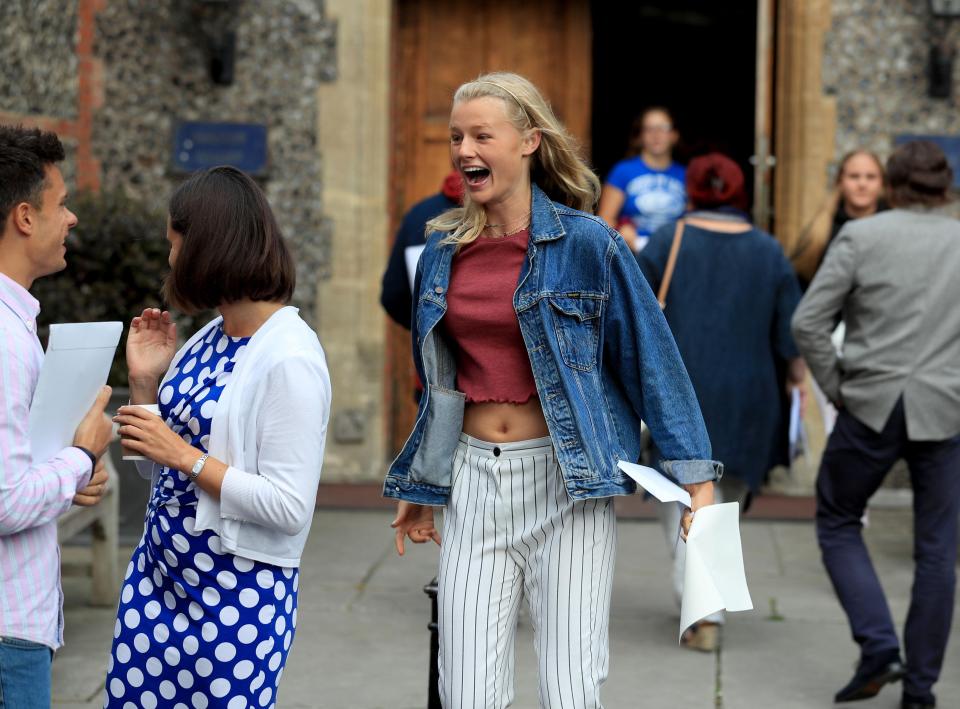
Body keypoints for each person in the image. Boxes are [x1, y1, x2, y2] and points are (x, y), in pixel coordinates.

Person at [384, 72, 720, 709]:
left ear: (530, 141)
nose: (464, 150)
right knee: (466, 693)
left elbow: (652, 357)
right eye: (457, 136)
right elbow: (437, 383)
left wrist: (695, 478)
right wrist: (422, 484)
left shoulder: (590, 245)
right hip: (472, 483)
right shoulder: (439, 250)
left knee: (571, 687)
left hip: (567, 483)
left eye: (482, 134)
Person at [105, 166, 331, 708]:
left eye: (174, 244)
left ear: (206, 245)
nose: (170, 259)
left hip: (233, 597)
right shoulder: (210, 335)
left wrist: (183, 456)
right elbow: (155, 471)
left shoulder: (291, 356)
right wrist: (143, 384)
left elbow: (289, 507)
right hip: (157, 581)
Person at [791, 141, 960, 709]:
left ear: (890, 185)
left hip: (870, 404)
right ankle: (920, 691)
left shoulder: (862, 237)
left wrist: (841, 388)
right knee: (938, 552)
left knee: (838, 520)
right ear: (944, 187)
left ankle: (879, 646)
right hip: (946, 409)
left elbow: (808, 322)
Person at [637, 152, 806, 652]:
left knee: (681, 502)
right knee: (721, 501)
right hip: (748, 396)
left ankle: (704, 614)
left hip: (678, 392)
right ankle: (704, 607)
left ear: (691, 189)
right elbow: (789, 337)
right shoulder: (770, 251)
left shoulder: (668, 241)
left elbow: (636, 317)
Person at [0, 124, 114, 706]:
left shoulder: (16, 322)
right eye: (61, 203)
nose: (71, 218)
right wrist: (83, 453)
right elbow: (5, 500)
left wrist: (71, 476)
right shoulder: (5, 336)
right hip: (7, 633)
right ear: (24, 217)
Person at [791, 149, 887, 290]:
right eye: (854, 176)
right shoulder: (820, 230)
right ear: (840, 181)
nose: (862, 184)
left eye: (871, 177)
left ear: (882, 183)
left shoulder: (892, 225)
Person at [381, 170, 463, 329]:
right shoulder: (508, 214)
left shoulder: (419, 214)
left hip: (432, 345)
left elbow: (393, 295)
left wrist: (425, 330)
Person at [597, 107, 685, 252]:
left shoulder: (686, 175)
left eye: (663, 128)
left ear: (674, 135)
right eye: (649, 129)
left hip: (674, 254)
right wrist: (621, 230)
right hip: (633, 254)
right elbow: (604, 221)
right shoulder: (623, 171)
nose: (656, 135)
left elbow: (693, 222)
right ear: (640, 136)